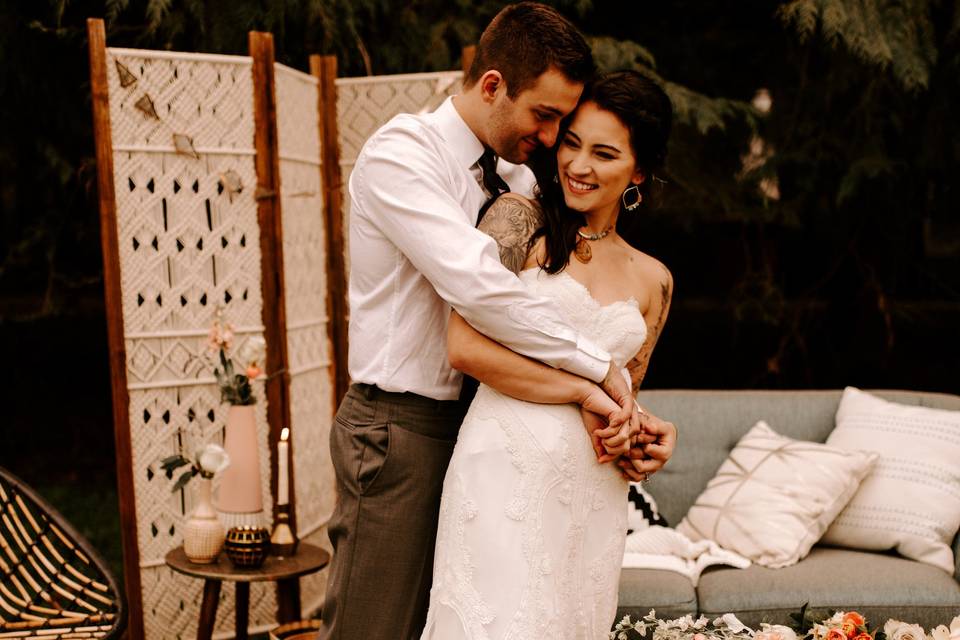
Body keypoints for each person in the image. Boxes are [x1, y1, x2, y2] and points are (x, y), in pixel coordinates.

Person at [319, 5, 666, 639]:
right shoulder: (403, 155)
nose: (554, 136)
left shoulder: (512, 178)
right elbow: (481, 294)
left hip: (483, 431)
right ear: (492, 85)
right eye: (547, 116)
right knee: (371, 627)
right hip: (399, 426)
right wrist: (597, 374)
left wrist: (632, 423)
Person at [420, 69, 677, 639]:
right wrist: (583, 389)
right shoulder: (518, 220)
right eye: (571, 142)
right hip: (502, 472)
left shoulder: (654, 279)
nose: (578, 165)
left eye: (604, 153)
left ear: (638, 171)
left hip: (592, 493)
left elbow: (625, 395)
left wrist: (644, 436)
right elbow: (464, 348)